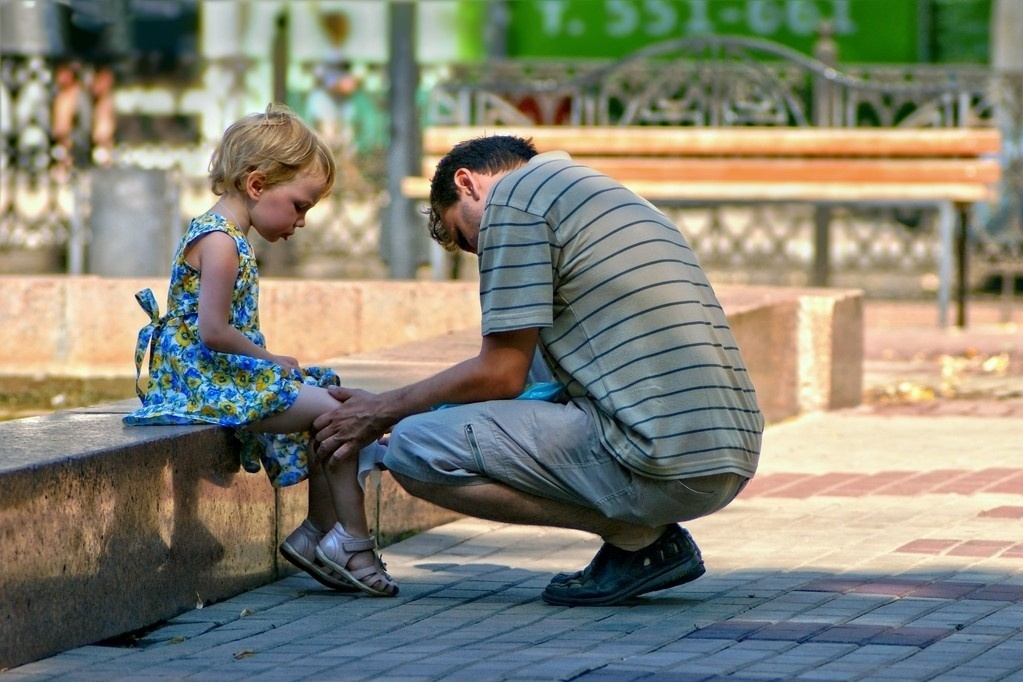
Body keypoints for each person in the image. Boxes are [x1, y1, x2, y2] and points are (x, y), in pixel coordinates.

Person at [311, 134, 764, 606]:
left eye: (469, 239)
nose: (481, 253)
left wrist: (384, 410)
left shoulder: (514, 202)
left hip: (661, 460)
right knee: (463, 395)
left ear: (467, 184)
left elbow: (501, 374)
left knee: (415, 447)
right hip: (730, 454)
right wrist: (421, 406)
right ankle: (641, 541)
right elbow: (529, 374)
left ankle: (640, 541)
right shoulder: (604, 193)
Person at [124, 103, 396, 597]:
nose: (302, 221)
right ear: (256, 184)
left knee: (329, 392)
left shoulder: (222, 234)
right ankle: (347, 541)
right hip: (208, 382)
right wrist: (272, 361)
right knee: (337, 414)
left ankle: (318, 533)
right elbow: (213, 331)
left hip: (217, 375)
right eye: (299, 205)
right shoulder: (222, 242)